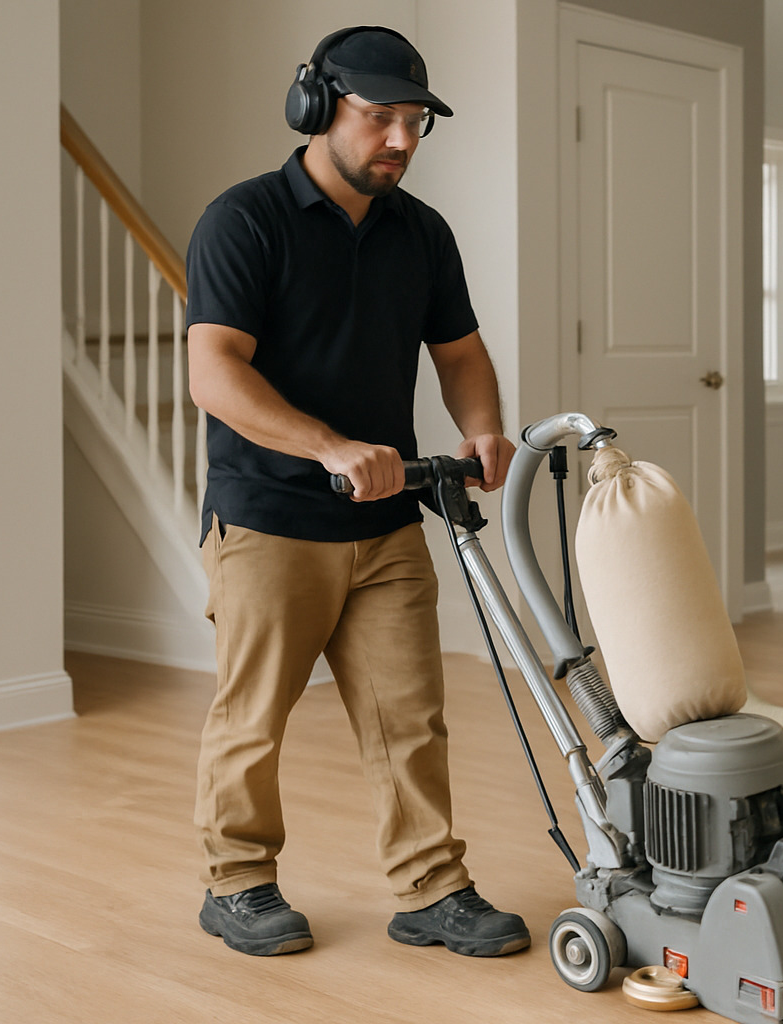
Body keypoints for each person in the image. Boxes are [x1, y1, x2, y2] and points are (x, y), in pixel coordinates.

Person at [184, 25, 527, 959]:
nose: (401, 142)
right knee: (253, 719)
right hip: (268, 518)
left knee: (409, 716)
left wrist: (481, 428)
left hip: (385, 523)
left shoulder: (422, 233)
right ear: (317, 106)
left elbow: (459, 352)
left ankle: (431, 889)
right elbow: (214, 374)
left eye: (415, 123)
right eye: (381, 119)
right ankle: (238, 882)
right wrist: (329, 445)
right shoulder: (244, 220)